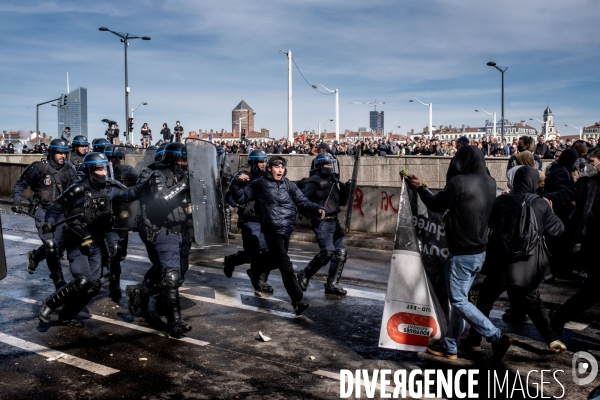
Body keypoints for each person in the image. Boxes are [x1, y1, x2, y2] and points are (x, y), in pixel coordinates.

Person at [406, 145, 512, 362]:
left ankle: (496, 336)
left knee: (459, 301)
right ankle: (450, 345)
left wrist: (419, 188)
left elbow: (436, 204)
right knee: (460, 301)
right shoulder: (491, 183)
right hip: (479, 251)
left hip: (461, 253)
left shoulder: (459, 182)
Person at [465, 166, 566, 353]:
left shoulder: (502, 200)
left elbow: (491, 224)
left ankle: (474, 339)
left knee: (485, 300)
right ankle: (552, 339)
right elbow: (558, 231)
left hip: (500, 263)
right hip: (527, 266)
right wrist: (550, 211)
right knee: (534, 304)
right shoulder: (540, 203)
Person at [38, 152, 144, 328]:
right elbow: (56, 207)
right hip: (76, 240)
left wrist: (146, 185)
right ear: (90, 171)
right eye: (100, 169)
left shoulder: (109, 188)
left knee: (93, 285)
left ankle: (66, 316)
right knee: (82, 280)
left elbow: (129, 194)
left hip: (95, 240)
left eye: (105, 168)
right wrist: (49, 222)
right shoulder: (78, 189)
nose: (104, 172)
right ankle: (50, 304)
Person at [230, 155, 325, 315]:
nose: (280, 170)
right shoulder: (260, 183)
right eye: (276, 166)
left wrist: (316, 208)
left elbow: (302, 201)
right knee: (285, 266)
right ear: (269, 168)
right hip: (271, 230)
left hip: (286, 230)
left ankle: (254, 269)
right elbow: (241, 197)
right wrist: (236, 182)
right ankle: (298, 301)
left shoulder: (288, 184)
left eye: (282, 167)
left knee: (274, 261)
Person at [126, 142, 193, 337]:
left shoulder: (185, 176)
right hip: (163, 230)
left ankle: (139, 292)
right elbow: (162, 199)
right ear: (172, 159)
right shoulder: (157, 175)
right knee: (171, 275)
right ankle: (175, 321)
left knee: (176, 273)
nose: (185, 163)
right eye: (182, 159)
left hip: (183, 230)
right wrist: (184, 185)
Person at [547, 148, 600, 338]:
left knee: (593, 291)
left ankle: (559, 317)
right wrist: (541, 198)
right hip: (594, 244)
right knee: (593, 291)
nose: (587, 165)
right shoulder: (588, 183)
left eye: (591, 161)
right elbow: (564, 195)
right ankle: (560, 317)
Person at [12, 139, 78, 289]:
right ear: (52, 153)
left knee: (57, 247)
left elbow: (78, 188)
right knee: (50, 244)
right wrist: (17, 201)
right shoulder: (39, 167)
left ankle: (35, 256)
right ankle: (58, 282)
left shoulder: (69, 169)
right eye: (60, 153)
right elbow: (20, 184)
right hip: (42, 211)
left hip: (60, 213)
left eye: (65, 153)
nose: (63, 156)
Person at [297, 153, 351, 295]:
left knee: (341, 252)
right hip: (322, 222)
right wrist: (313, 211)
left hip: (334, 220)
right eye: (327, 164)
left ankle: (332, 283)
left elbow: (341, 202)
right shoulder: (312, 182)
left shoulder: (334, 181)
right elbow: (302, 201)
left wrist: (346, 190)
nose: (330, 167)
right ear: (320, 165)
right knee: (327, 253)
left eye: (331, 164)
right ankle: (305, 274)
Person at [223, 149, 273, 294]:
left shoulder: (268, 177)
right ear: (253, 163)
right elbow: (231, 196)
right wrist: (238, 183)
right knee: (253, 253)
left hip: (266, 220)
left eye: (264, 161)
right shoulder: (244, 176)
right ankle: (232, 260)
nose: (263, 164)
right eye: (260, 161)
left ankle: (260, 280)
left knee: (269, 252)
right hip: (250, 220)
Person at [104, 145, 139, 299]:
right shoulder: (99, 171)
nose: (116, 161)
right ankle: (114, 283)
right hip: (107, 216)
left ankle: (112, 274)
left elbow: (137, 185)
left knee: (120, 253)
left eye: (119, 158)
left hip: (123, 215)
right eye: (113, 158)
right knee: (113, 250)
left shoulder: (127, 171)